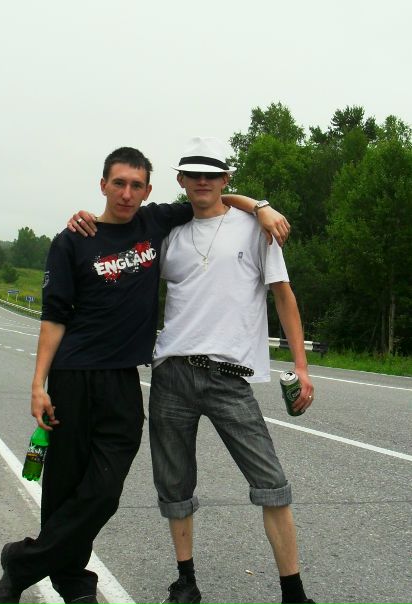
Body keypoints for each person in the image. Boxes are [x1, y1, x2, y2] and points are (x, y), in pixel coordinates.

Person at [0, 145, 289, 604]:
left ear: (148, 190)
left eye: (136, 185)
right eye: (118, 183)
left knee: (104, 491)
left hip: (123, 381)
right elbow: (54, 318)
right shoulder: (73, 240)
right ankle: (73, 582)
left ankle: (22, 562)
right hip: (72, 376)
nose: (127, 193)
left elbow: (211, 195)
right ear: (103, 185)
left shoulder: (154, 223)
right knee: (65, 485)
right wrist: (38, 384)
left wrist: (261, 207)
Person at [147, 137, 316, 604]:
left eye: (212, 174)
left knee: (271, 484)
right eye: (193, 174)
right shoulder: (169, 235)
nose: (202, 182)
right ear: (181, 179)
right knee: (175, 485)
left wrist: (301, 366)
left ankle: (294, 593)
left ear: (226, 179)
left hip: (229, 377)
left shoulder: (255, 229)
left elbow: (283, 296)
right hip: (172, 374)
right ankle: (186, 581)